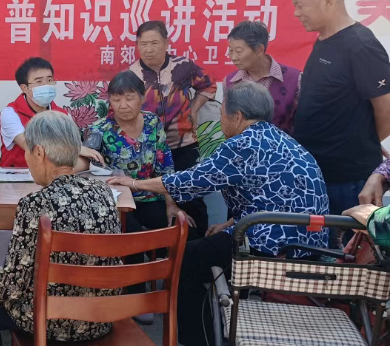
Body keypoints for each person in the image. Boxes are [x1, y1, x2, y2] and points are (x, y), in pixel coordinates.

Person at [108, 81, 329, 346]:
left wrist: (133, 183)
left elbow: (189, 181)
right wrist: (229, 224)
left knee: (185, 259)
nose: (220, 119)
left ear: (237, 116)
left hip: (269, 246)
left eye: (222, 112)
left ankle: (197, 340)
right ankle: (226, 326)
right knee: (207, 246)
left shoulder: (241, 144)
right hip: (308, 245)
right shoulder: (284, 140)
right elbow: (270, 196)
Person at [0, 111, 124, 346]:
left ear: (39, 153)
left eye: (28, 151)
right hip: (100, 317)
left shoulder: (34, 204)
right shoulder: (104, 193)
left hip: (51, 321)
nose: (27, 158)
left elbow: (12, 284)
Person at [292, 0, 390, 248]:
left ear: (328, 0)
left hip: (349, 180)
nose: (296, 13)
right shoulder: (324, 41)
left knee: (348, 258)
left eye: (301, 5)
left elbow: (386, 111)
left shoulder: (361, 45)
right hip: (318, 176)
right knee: (320, 257)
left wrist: (362, 141)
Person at [76, 70, 173, 324]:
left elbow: (165, 164)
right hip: (116, 202)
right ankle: (137, 297)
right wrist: (78, 151)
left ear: (142, 97)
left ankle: (173, 292)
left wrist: (171, 204)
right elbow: (85, 164)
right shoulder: (99, 129)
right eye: (116, 99)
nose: (122, 105)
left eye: (129, 98)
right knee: (130, 233)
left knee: (180, 228)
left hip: (150, 196)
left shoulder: (153, 123)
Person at [0, 57, 104, 272]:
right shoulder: (10, 113)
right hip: (14, 187)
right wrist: (76, 148)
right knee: (8, 248)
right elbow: (32, 147)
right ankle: (4, 275)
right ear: (24, 88)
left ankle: (52, 274)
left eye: (50, 80)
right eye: (39, 81)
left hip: (55, 187)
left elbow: (73, 161)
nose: (46, 85)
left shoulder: (63, 115)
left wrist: (76, 153)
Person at [129, 20, 216, 238]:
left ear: (166, 43)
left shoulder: (183, 66)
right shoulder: (132, 75)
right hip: (151, 151)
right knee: (159, 202)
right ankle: (167, 250)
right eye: (143, 44)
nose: (148, 49)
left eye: (154, 43)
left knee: (192, 197)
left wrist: (194, 108)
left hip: (184, 144)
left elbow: (209, 85)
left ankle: (198, 247)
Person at [224, 20, 301, 135]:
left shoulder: (295, 79)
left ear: (259, 49)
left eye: (239, 51)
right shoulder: (230, 82)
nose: (233, 57)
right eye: (230, 50)